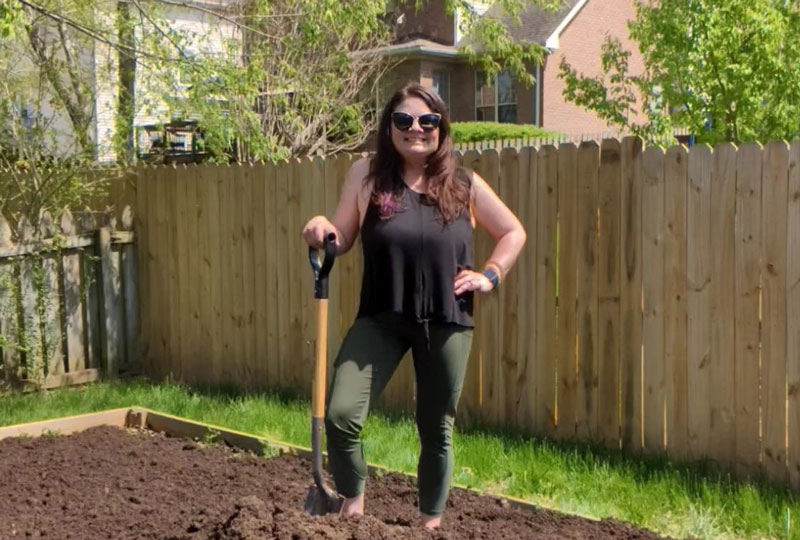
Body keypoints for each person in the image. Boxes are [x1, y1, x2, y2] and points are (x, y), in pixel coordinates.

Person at [301, 82, 526, 529]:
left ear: (441, 128)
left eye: (428, 121)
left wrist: (491, 275)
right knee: (343, 415)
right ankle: (354, 505)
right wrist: (324, 226)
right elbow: (341, 238)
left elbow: (513, 232)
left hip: (447, 320)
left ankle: (429, 525)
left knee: (436, 429)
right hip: (381, 317)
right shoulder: (367, 176)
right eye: (403, 120)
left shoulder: (464, 184)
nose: (416, 129)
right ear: (389, 128)